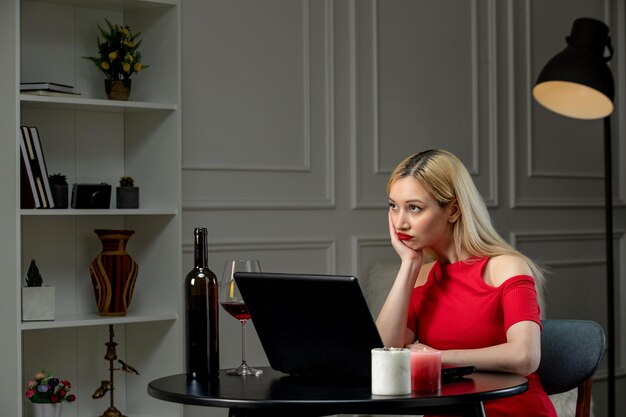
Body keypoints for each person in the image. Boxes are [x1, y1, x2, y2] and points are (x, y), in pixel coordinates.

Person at [376, 149, 557, 417]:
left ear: (453, 211)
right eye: (394, 206)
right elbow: (383, 354)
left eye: (414, 208)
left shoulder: (504, 266)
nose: (400, 222)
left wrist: (437, 358)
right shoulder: (421, 275)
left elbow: (525, 357)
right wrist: (409, 266)